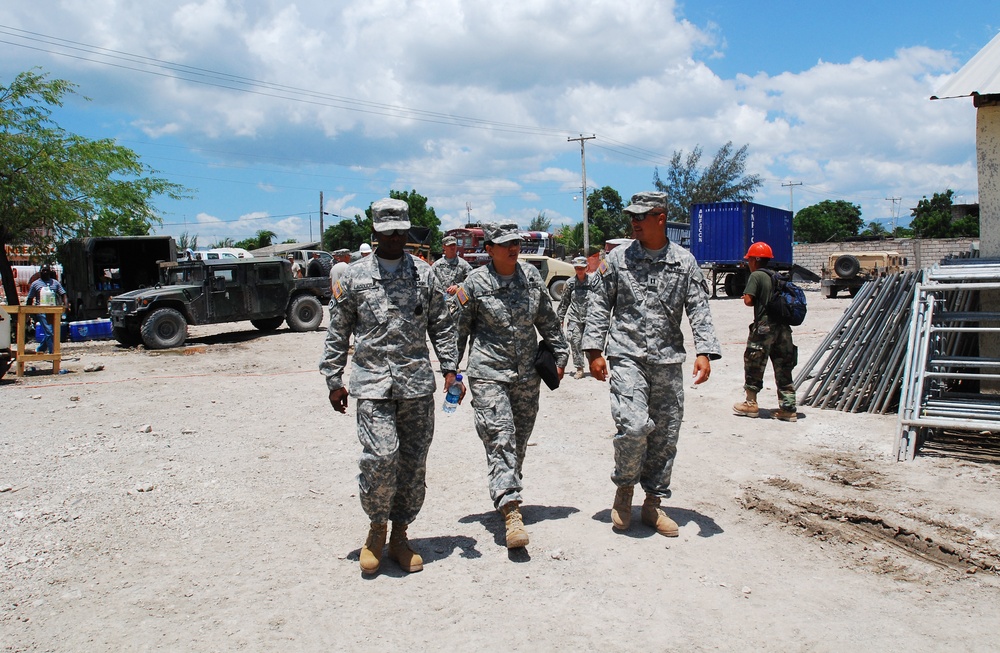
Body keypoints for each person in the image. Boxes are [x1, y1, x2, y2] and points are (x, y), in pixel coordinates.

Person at [320, 198, 460, 576]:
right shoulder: (353, 276)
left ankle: (401, 534)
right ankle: (376, 529)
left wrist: (450, 369)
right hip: (371, 384)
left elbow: (442, 324)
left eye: (401, 230)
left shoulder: (425, 274)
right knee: (381, 457)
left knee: (413, 465)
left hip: (415, 384)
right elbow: (338, 329)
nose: (397, 237)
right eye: (388, 232)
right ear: (375, 233)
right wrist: (333, 378)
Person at [583, 192, 721, 538]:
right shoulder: (617, 259)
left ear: (661, 218)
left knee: (665, 434)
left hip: (667, 358)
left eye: (642, 216)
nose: (635, 222)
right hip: (626, 354)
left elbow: (699, 308)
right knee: (632, 425)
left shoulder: (684, 261)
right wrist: (593, 350)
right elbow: (599, 303)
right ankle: (625, 489)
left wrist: (704, 350)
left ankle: (653, 503)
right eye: (632, 216)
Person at [455, 223, 569, 550]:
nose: (513, 248)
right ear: (489, 249)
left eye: (516, 242)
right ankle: (511, 509)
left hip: (526, 375)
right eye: (505, 244)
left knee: (518, 438)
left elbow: (547, 319)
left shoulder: (532, 279)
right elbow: (458, 330)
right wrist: (452, 371)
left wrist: (560, 356)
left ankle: (508, 486)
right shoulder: (475, 283)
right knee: (500, 433)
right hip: (488, 372)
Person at [733, 242, 799, 422]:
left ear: (755, 260)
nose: (748, 263)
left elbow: (749, 300)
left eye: (749, 259)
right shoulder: (778, 276)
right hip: (784, 328)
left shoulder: (757, 276)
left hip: (764, 327)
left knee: (754, 362)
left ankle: (750, 404)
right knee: (784, 366)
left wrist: (748, 297)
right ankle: (788, 408)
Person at [431, 235, 474, 364]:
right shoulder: (437, 266)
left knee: (459, 336)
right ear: (444, 247)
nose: (452, 248)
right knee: (443, 335)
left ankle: (455, 364)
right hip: (442, 306)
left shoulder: (463, 265)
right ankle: (447, 362)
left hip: (459, 306)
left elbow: (471, 282)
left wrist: (458, 286)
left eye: (454, 245)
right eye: (449, 246)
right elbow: (431, 283)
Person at [556, 256, 593, 380]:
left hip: (590, 318)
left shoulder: (593, 282)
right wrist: (560, 319)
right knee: (575, 343)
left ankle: (593, 366)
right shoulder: (570, 283)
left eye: (582, 268)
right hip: (574, 318)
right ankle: (579, 368)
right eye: (577, 268)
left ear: (586, 268)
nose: (579, 271)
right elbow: (564, 302)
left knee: (590, 345)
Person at [25, 264, 68, 354]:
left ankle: (40, 349)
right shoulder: (35, 284)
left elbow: (63, 294)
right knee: (49, 332)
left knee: (52, 332)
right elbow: (30, 299)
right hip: (41, 311)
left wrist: (66, 305)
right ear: (40, 271)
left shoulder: (55, 283)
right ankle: (53, 353)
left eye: (47, 270)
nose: (45, 272)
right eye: (43, 270)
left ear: (50, 272)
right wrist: (27, 313)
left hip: (53, 311)